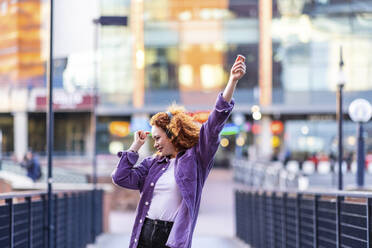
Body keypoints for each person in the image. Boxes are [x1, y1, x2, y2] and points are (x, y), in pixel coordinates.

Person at [112, 55, 246, 248]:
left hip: (172, 238)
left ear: (173, 133)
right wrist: (135, 148)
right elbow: (120, 178)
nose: (155, 143)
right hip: (144, 233)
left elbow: (215, 122)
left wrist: (232, 81)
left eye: (158, 137)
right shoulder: (153, 163)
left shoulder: (196, 158)